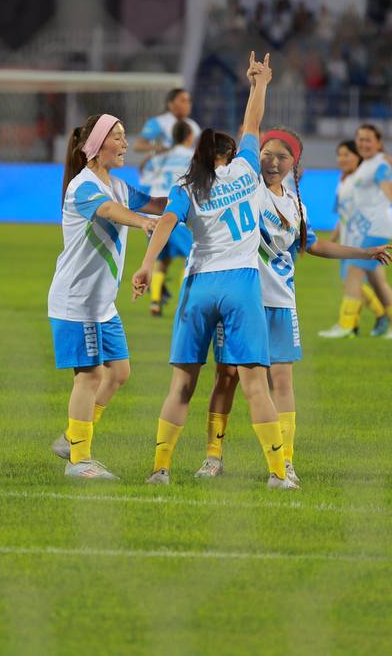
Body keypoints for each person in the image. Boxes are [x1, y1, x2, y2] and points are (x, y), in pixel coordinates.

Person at [132, 52, 295, 489]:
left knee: (181, 386)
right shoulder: (245, 169)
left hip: (198, 285)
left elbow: (166, 222)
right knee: (255, 385)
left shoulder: (187, 185)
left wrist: (146, 265)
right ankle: (278, 474)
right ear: (230, 153)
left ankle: (160, 469)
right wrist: (260, 83)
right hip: (241, 283)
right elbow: (252, 123)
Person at [193, 128, 392, 483]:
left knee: (282, 382)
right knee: (226, 377)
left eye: (282, 157)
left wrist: (363, 252)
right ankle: (213, 457)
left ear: (294, 164)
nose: (273, 162)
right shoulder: (245, 188)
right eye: (266, 154)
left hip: (281, 303)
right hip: (241, 299)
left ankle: (285, 461)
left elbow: (312, 245)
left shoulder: (295, 205)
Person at [47, 114, 164, 479]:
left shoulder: (119, 187)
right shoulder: (83, 186)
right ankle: (79, 460)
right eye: (118, 137)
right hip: (77, 301)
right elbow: (110, 211)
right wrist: (141, 222)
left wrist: (194, 195)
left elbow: (156, 203)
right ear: (97, 146)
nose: (125, 144)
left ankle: (72, 438)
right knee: (90, 375)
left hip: (101, 304)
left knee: (119, 372)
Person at [319, 124, 392, 340]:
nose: (363, 143)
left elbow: (385, 181)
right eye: (360, 139)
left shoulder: (378, 163)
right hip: (365, 231)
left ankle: (347, 325)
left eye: (368, 139)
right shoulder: (364, 167)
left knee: (352, 273)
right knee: (377, 281)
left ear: (378, 142)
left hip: (374, 228)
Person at [147, 121, 195, 318]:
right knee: (191, 258)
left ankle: (155, 302)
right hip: (176, 214)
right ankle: (185, 303)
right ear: (189, 136)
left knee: (161, 260)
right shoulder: (192, 156)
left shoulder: (159, 157)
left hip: (153, 217)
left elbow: (147, 177)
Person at [134, 88, 201, 194]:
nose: (188, 104)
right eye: (183, 101)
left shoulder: (193, 125)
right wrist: (159, 149)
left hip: (184, 169)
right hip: (161, 168)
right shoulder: (159, 122)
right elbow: (138, 146)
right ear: (171, 104)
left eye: (189, 101)